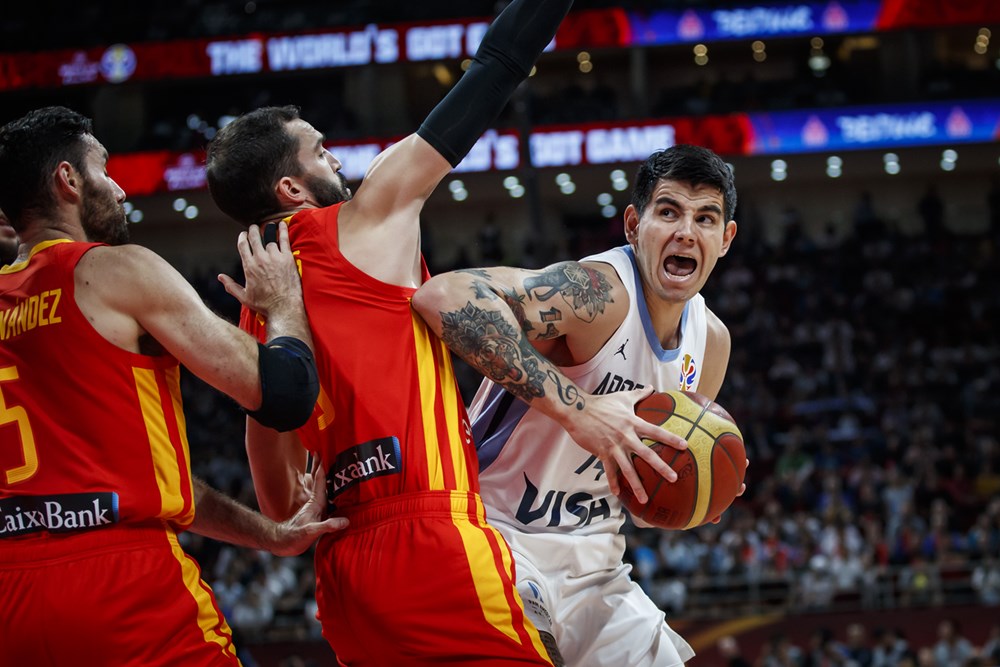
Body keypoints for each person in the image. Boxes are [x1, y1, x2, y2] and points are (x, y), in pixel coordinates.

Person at [205, 1, 684, 663]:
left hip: (342, 572)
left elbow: (281, 499)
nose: (338, 161)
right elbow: (493, 71)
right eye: (321, 152)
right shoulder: (364, 219)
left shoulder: (261, 304)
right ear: (290, 186)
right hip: (427, 534)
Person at [0, 106, 346, 666]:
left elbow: (158, 486)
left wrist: (270, 535)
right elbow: (286, 392)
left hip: (11, 598)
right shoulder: (114, 270)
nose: (118, 188)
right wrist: (282, 303)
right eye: (103, 169)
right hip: (120, 585)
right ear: (68, 180)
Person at [412, 144, 742, 666]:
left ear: (725, 240)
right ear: (634, 225)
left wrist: (690, 495)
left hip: (596, 565)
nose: (686, 232)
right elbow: (443, 296)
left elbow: (636, 480)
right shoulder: (598, 293)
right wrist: (580, 410)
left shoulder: (711, 344)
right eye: (669, 211)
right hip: (493, 535)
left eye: (706, 218)